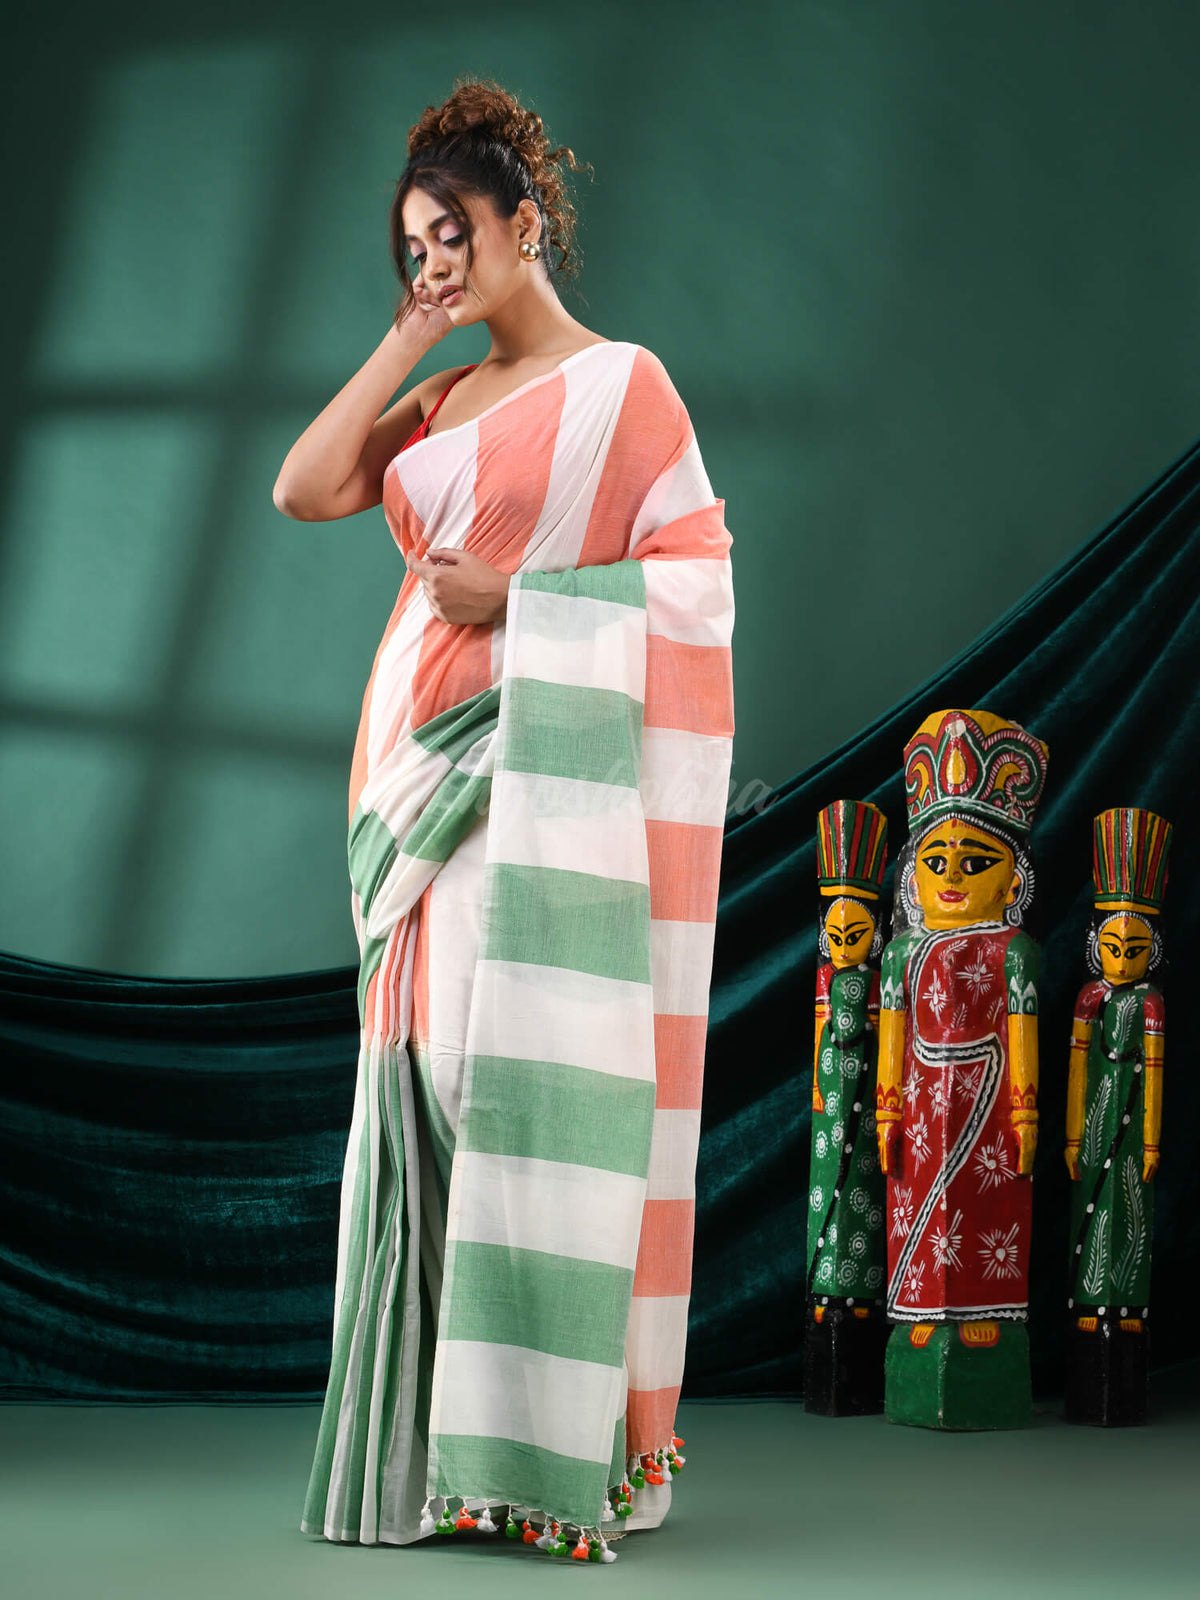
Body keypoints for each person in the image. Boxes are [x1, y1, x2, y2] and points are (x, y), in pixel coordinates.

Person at [272, 77, 735, 1560]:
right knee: (413, 1085)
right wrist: (410, 337)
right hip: (407, 787)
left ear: (524, 222)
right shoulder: (445, 395)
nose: (435, 264)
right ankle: (425, 1456)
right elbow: (303, 488)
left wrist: (523, 601)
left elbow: (699, 589)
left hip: (528, 776)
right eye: (413, 247)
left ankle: (543, 1451)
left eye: (453, 236)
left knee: (504, 1088)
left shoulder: (625, 387)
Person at [874, 708, 1047, 1429]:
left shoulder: (1015, 950)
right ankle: (917, 1327)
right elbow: (891, 1032)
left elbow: (1024, 1028)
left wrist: (1027, 1112)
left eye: (975, 863)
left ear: (1012, 878)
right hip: (917, 1104)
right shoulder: (900, 953)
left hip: (994, 1103)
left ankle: (985, 1330)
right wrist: (886, 1109)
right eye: (934, 861)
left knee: (988, 1215)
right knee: (914, 1213)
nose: (949, 877)